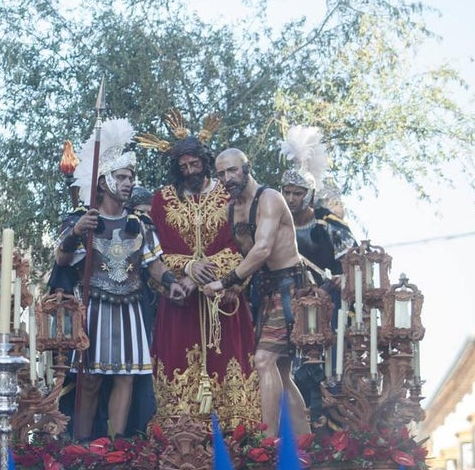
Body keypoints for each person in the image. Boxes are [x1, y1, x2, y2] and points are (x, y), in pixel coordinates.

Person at [58, 118, 184, 439]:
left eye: (130, 177)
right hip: (95, 306)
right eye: (121, 177)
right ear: (103, 182)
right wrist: (75, 232)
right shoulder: (83, 220)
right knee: (90, 378)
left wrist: (172, 283)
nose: (128, 183)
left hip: (129, 306)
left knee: (126, 376)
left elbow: (154, 263)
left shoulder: (139, 225)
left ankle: (115, 445)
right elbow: (61, 259)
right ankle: (83, 446)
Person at [135, 113, 257, 427]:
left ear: (205, 162)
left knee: (229, 369)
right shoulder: (162, 199)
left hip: (223, 300)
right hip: (180, 302)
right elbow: (155, 250)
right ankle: (180, 443)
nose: (189, 171)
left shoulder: (228, 195)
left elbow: (241, 246)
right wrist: (187, 269)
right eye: (183, 167)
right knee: (179, 376)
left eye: (195, 165)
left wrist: (212, 270)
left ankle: (238, 442)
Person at [203, 148, 310, 437]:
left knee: (264, 360)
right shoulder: (233, 209)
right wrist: (238, 285)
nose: (227, 178)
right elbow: (247, 254)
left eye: (232, 170)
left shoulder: (271, 199)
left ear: (247, 168)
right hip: (265, 288)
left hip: (289, 287)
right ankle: (305, 443)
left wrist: (225, 281)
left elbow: (262, 249)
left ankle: (268, 443)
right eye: (221, 174)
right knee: (283, 375)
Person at [276, 127, 357, 423]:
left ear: (309, 195)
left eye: (297, 193)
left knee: (326, 367)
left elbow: (353, 261)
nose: (291, 198)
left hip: (328, 303)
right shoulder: (275, 223)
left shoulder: (328, 224)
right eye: (287, 192)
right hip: (287, 300)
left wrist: (340, 280)